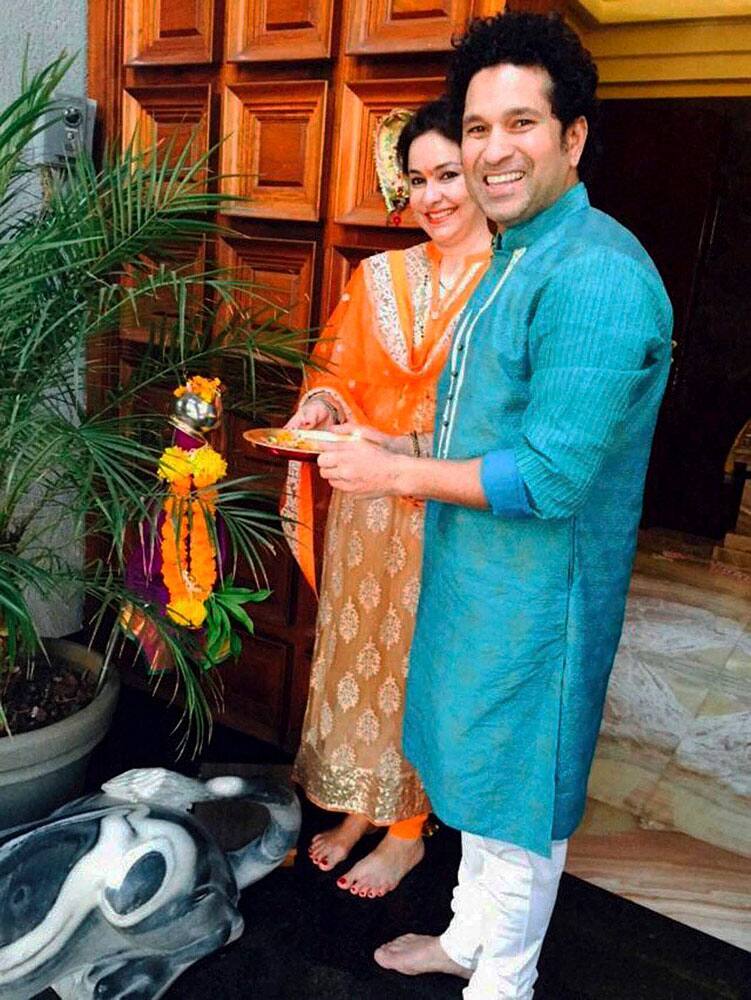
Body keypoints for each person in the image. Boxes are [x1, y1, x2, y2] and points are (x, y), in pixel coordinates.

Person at [315, 11, 673, 996]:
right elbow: (485, 430)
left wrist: (392, 477)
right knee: (476, 790)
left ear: (572, 137)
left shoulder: (595, 273)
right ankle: (468, 938)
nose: (492, 151)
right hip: (477, 587)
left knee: (518, 809)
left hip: (538, 608)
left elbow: (550, 477)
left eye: (521, 123)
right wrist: (397, 444)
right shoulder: (517, 254)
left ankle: (498, 980)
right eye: (477, 128)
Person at [282, 98, 492, 899]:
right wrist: (323, 409)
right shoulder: (375, 276)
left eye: (448, 174)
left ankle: (406, 829)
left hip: (452, 508)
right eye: (417, 180)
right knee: (356, 663)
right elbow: (336, 371)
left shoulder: (510, 285)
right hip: (368, 510)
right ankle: (357, 808)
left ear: (481, 173)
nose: (432, 195)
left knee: (423, 669)